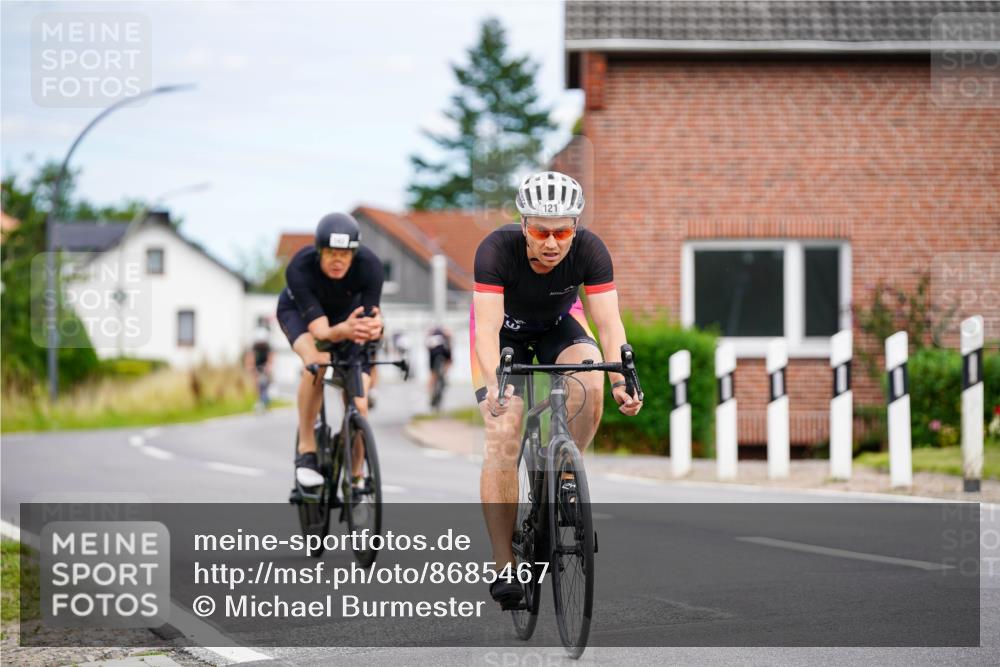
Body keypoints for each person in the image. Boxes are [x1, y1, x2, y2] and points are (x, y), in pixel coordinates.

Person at [470, 171, 643, 609]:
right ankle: (503, 562)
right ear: (524, 226)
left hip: (555, 326)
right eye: (542, 231)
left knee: (590, 377)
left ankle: (565, 471)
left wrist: (623, 379)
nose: (552, 242)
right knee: (503, 432)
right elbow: (487, 328)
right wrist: (496, 386)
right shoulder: (494, 250)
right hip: (503, 337)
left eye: (563, 231)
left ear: (576, 227)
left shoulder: (590, 250)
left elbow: (607, 323)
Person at [277, 213, 384, 488]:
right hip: (302, 316)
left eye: (345, 254)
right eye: (331, 253)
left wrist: (376, 328)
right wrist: (346, 330)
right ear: (319, 251)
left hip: (347, 318)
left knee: (360, 402)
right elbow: (322, 333)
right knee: (317, 361)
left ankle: (356, 477)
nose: (338, 260)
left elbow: (372, 318)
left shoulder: (370, 266)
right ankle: (307, 449)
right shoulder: (300, 267)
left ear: (354, 254)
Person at [245, 325, 274, 412]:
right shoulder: (254, 346)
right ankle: (259, 400)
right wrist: (250, 367)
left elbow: (271, 357)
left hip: (265, 364)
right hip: (257, 364)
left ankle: (266, 400)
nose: (261, 344)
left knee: (267, 381)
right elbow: (250, 356)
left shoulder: (268, 346)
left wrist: (269, 366)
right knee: (257, 382)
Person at [425, 325, 453, 407]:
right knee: (448, 362)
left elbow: (426, 345)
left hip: (433, 352)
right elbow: (450, 345)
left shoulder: (432, 333)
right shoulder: (445, 332)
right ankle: (444, 375)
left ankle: (430, 394)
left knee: (432, 374)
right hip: (442, 351)